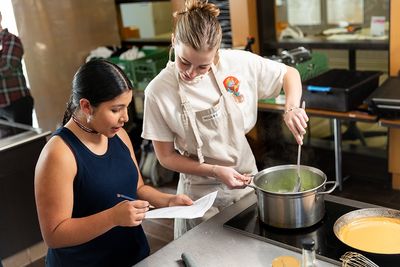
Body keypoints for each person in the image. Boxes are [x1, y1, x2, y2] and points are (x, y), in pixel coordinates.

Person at [141, 0, 309, 239]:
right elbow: (166, 157)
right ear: (173, 42)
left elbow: (288, 74)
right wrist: (215, 171)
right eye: (184, 62)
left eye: (203, 67)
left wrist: (291, 108)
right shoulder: (158, 91)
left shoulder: (238, 63)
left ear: (217, 54)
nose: (191, 73)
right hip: (198, 197)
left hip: (245, 181)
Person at [34, 59, 193, 267]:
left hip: (134, 257)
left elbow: (138, 187)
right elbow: (54, 234)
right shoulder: (58, 154)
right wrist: (112, 217)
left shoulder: (119, 136)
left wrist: (169, 201)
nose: (125, 117)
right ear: (86, 106)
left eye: (126, 107)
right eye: (116, 110)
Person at [0, 11, 34, 125]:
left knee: (28, 142)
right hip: (1, 107)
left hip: (17, 103)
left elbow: (6, 67)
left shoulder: (11, 40)